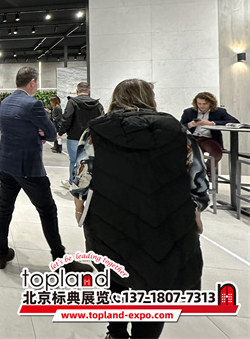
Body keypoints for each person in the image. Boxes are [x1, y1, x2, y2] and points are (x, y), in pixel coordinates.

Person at [71, 79, 209, 339]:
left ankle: (116, 332)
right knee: (158, 280)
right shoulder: (177, 131)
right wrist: (197, 208)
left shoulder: (96, 131)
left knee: (115, 274)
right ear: (150, 99)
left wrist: (79, 205)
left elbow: (83, 173)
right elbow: (197, 176)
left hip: (110, 216)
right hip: (165, 216)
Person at [0, 67, 91, 272]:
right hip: (28, 167)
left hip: (5, 164)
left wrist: (37, 132)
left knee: (4, 209)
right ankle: (60, 260)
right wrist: (40, 133)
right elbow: (52, 133)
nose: (37, 86)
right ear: (32, 82)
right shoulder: (33, 104)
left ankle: (1, 253)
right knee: (48, 211)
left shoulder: (6, 102)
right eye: (37, 83)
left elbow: (12, 128)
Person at [58, 82, 104, 187]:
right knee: (90, 161)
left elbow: (67, 119)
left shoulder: (72, 102)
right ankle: (88, 184)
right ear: (89, 91)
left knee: (74, 161)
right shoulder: (98, 105)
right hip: (91, 138)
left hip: (74, 137)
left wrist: (60, 132)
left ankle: (72, 183)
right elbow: (102, 121)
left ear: (77, 91)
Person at [180, 92, 239, 174]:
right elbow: (180, 127)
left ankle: (206, 172)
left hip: (209, 139)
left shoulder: (219, 112)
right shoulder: (188, 112)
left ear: (211, 103)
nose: (201, 106)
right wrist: (190, 125)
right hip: (192, 138)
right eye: (199, 103)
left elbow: (235, 122)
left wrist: (212, 123)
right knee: (186, 154)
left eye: (205, 104)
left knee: (216, 153)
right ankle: (193, 174)